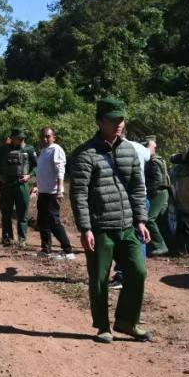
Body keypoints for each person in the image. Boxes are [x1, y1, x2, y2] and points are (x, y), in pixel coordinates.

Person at [69, 98, 154, 344]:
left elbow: (138, 188)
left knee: (138, 271)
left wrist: (141, 220)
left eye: (121, 120)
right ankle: (103, 326)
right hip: (100, 228)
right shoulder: (85, 154)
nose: (119, 124)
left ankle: (127, 321)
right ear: (99, 122)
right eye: (113, 120)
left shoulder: (129, 150)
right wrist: (85, 228)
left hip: (127, 226)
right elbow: (79, 195)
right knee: (99, 278)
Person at [110, 129, 152, 289]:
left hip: (126, 199)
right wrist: (151, 144)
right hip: (142, 197)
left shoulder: (116, 149)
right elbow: (150, 155)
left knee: (124, 238)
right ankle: (136, 274)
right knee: (139, 237)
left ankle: (124, 275)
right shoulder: (139, 148)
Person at [34, 127, 75, 259]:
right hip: (43, 191)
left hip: (52, 192)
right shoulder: (43, 151)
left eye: (48, 136)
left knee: (54, 222)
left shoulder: (56, 149)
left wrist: (59, 190)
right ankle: (46, 250)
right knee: (42, 221)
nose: (45, 139)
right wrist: (36, 186)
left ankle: (68, 250)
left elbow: (60, 171)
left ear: (53, 137)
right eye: (43, 136)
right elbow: (42, 171)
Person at [0, 127, 37, 247]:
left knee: (22, 214)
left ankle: (22, 240)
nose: (21, 140)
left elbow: (37, 166)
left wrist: (29, 175)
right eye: (19, 138)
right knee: (6, 213)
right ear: (12, 138)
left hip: (22, 185)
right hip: (6, 185)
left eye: (22, 138)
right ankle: (7, 239)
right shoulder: (3, 149)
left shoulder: (29, 149)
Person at [141, 136, 172, 256]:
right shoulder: (157, 159)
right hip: (162, 192)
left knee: (149, 219)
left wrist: (148, 191)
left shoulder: (152, 161)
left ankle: (160, 246)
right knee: (161, 220)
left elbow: (157, 180)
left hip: (158, 192)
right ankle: (165, 245)